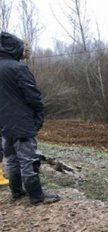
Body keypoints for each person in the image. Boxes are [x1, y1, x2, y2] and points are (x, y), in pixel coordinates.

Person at [0, 32, 60, 204]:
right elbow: (33, 96)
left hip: (3, 123)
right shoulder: (18, 68)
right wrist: (39, 114)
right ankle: (36, 196)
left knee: (11, 159)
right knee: (28, 158)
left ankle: (17, 192)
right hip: (22, 122)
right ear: (14, 48)